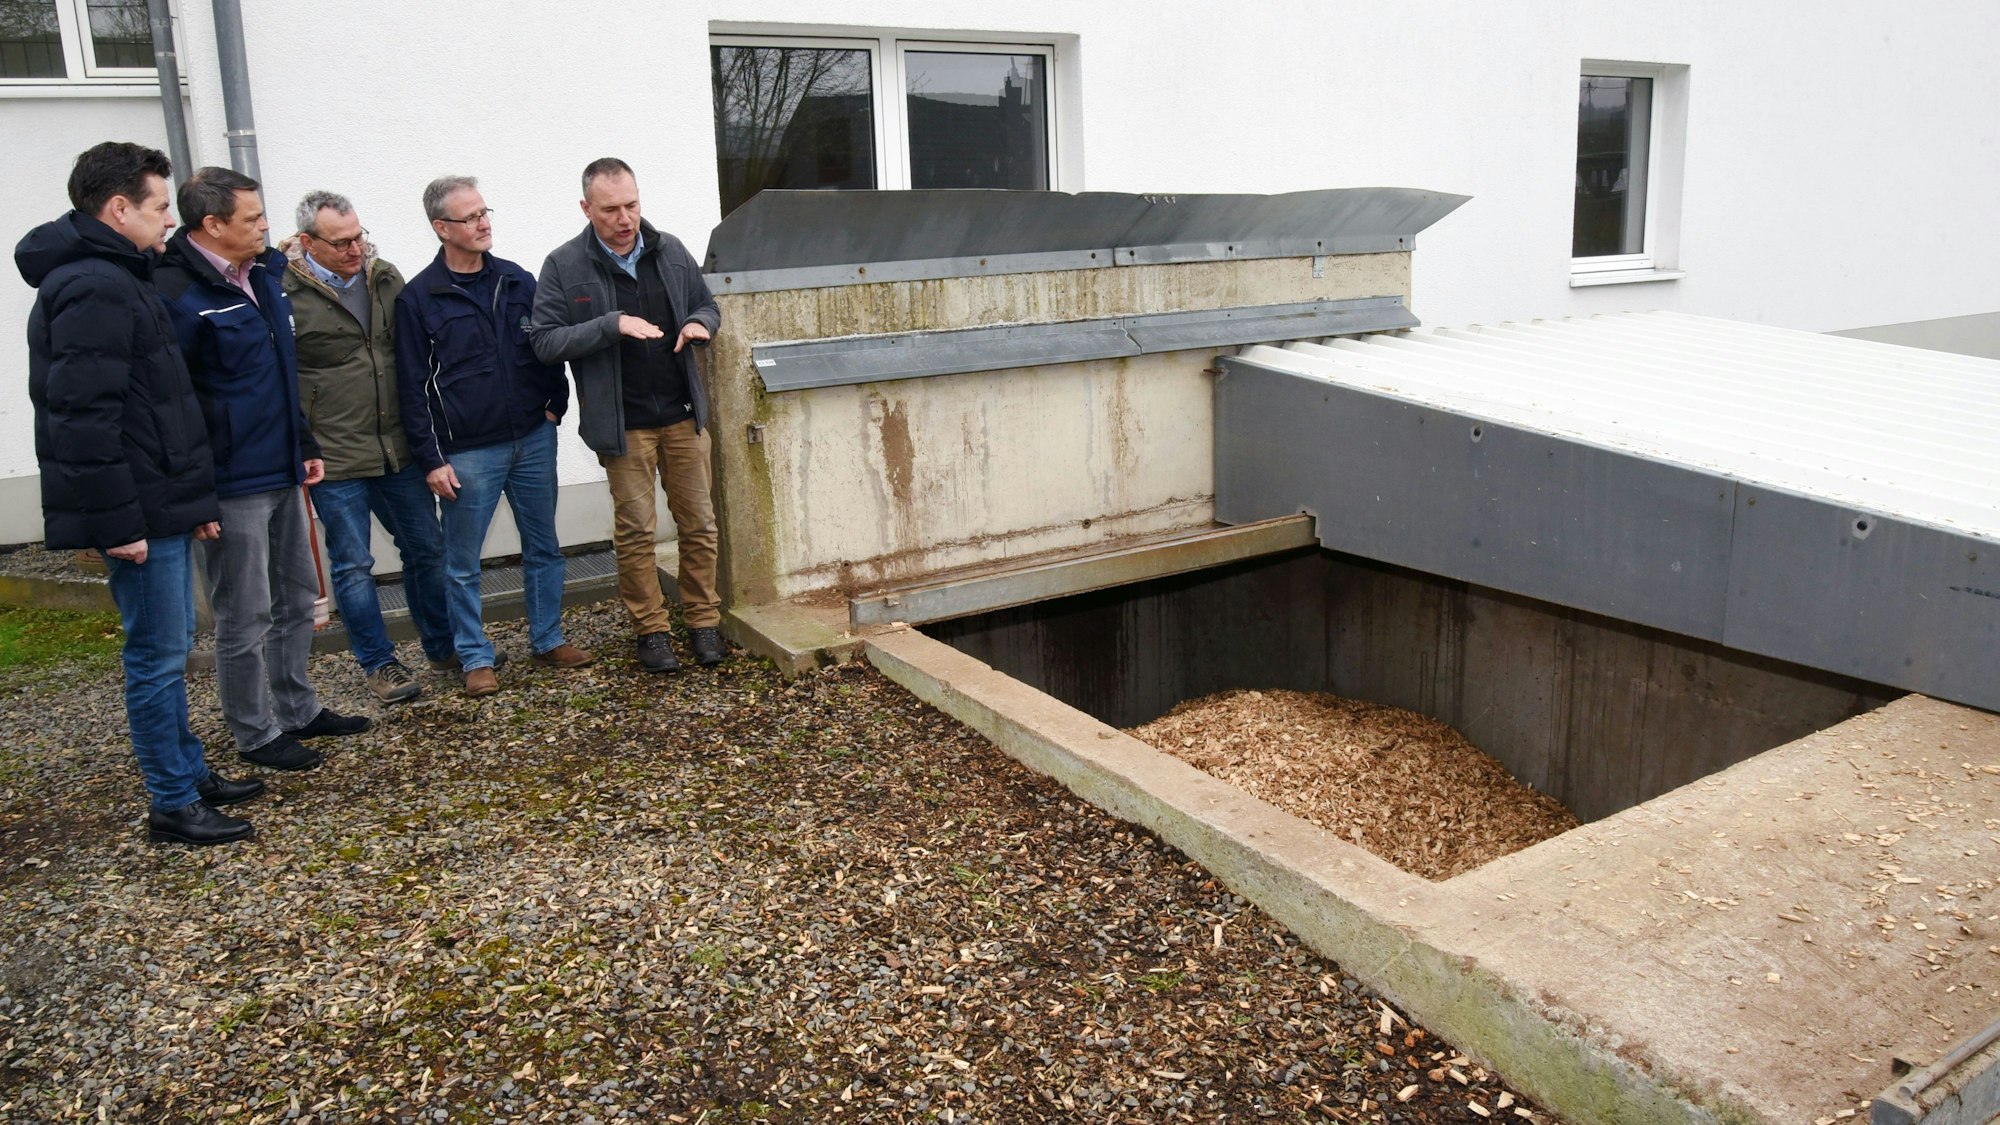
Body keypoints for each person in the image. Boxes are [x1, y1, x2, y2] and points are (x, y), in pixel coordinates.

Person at [17, 142, 262, 845]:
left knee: (172, 644)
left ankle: (188, 771)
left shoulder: (123, 275)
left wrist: (193, 505)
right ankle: (172, 801)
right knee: (156, 656)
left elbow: (157, 407)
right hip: (136, 512)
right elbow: (82, 419)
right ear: (119, 209)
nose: (169, 220)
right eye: (158, 207)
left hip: (159, 500)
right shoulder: (93, 285)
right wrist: (119, 523)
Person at [156, 167, 371, 771]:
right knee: (244, 611)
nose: (265, 227)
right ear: (212, 224)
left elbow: (282, 374)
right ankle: (254, 733)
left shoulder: (263, 276)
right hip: (231, 480)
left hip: (281, 465)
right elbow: (173, 403)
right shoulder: (176, 293)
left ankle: (297, 709)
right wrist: (196, 491)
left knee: (297, 596)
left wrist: (303, 442)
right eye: (252, 218)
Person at [394, 175, 593, 697]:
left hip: (532, 438)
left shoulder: (516, 280)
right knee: (461, 563)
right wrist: (431, 459)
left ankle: (547, 639)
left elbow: (546, 346)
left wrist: (554, 406)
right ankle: (475, 656)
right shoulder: (419, 299)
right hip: (467, 452)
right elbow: (411, 387)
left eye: (485, 213)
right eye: (470, 217)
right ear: (442, 228)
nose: (483, 224)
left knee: (544, 547)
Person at [530, 158, 725, 673]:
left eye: (632, 205)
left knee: (700, 524)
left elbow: (708, 305)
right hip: (624, 425)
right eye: (611, 209)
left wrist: (700, 324)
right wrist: (610, 325)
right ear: (586, 208)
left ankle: (703, 621)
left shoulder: (671, 250)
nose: (625, 218)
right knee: (637, 531)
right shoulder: (564, 265)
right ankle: (652, 631)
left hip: (683, 415)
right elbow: (545, 341)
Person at [284, 190, 452, 703]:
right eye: (340, 243)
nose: (355, 249)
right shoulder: (284, 291)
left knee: (427, 549)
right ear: (308, 242)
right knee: (353, 565)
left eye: (359, 236)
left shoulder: (384, 277)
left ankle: (444, 647)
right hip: (334, 456)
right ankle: (380, 664)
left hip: (396, 447)